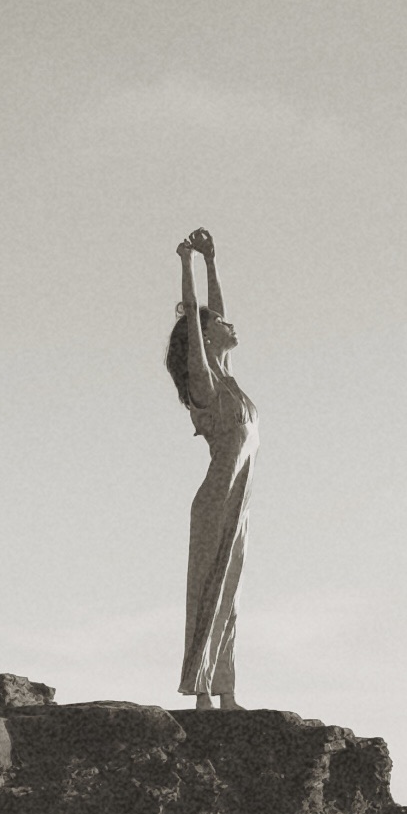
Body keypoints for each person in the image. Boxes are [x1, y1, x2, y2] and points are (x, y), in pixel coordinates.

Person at [165, 228, 258, 708]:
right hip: (216, 501)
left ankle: (226, 693)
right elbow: (199, 320)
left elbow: (213, 313)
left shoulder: (228, 378)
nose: (231, 323)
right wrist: (187, 266)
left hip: (237, 503)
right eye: (219, 322)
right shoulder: (206, 382)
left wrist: (212, 261)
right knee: (208, 589)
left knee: (231, 594)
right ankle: (201, 694)